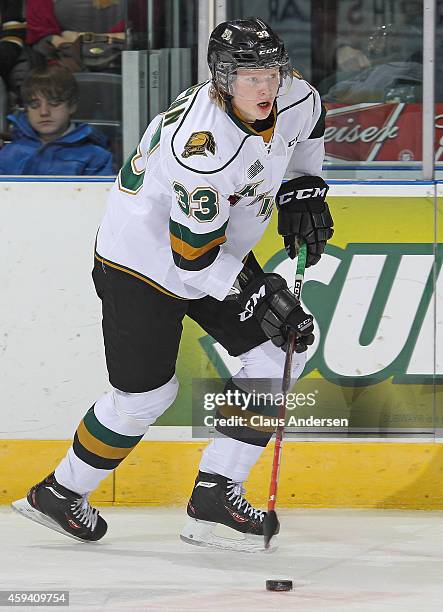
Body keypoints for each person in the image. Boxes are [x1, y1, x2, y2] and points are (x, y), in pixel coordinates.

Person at [12, 18, 334, 551]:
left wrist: (304, 190)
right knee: (145, 397)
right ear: (222, 79)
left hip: (212, 246)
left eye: (272, 71)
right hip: (141, 262)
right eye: (250, 75)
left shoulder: (295, 94)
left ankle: (215, 494)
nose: (267, 87)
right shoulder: (202, 149)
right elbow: (191, 264)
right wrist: (257, 291)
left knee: (281, 348)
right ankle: (59, 494)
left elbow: (308, 132)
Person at [0, 64, 113, 175]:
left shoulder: (96, 158)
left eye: (54, 103)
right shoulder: (7, 154)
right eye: (34, 105)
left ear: (72, 106)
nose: (44, 112)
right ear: (26, 109)